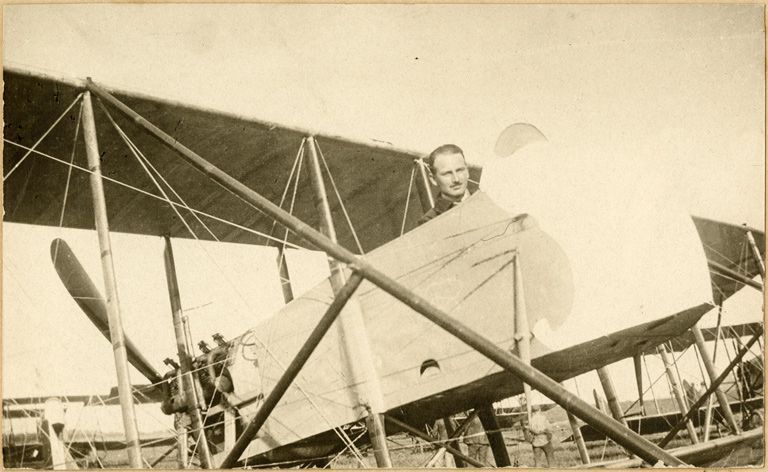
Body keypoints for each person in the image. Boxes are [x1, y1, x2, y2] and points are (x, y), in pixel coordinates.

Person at [418, 144, 472, 225]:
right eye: (447, 174)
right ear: (433, 179)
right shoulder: (430, 221)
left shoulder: (489, 201)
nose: (456, 179)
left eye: (459, 170)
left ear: (467, 172)